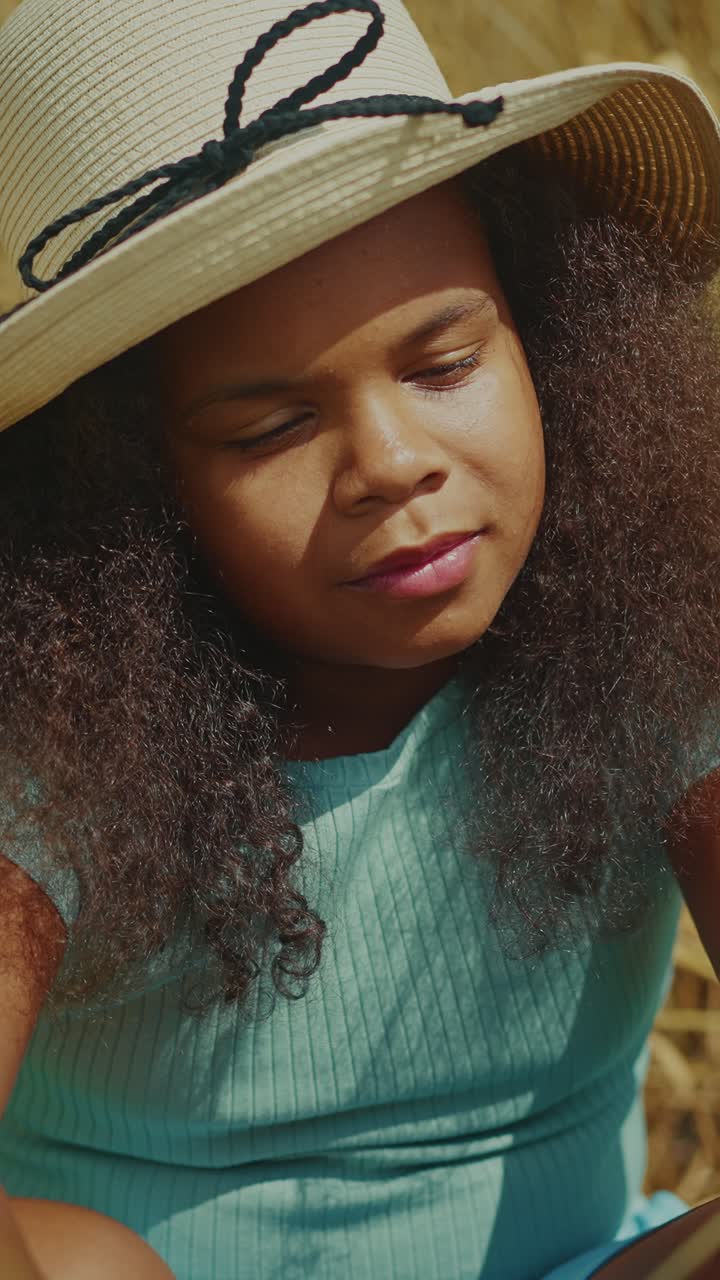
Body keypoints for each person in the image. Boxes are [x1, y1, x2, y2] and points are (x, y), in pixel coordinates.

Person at [1, 0, 720, 1277]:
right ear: (123, 501)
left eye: (445, 362)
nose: (393, 466)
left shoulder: (659, 634)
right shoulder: (48, 731)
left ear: (545, 335)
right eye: (270, 429)